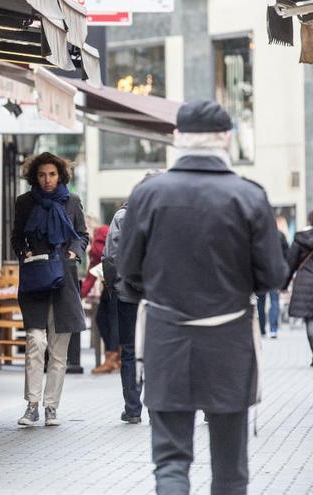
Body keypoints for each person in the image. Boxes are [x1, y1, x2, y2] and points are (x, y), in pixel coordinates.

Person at [119, 100, 288, 494]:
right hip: (229, 338)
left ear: (177, 138)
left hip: (166, 335)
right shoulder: (248, 195)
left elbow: (127, 270)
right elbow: (273, 276)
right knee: (230, 470)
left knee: (171, 463)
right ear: (225, 139)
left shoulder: (148, 194)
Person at [10, 152, 89, 427]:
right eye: (42, 174)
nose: (47, 179)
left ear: (61, 175)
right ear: (35, 176)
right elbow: (16, 238)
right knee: (36, 342)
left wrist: (73, 253)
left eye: (52, 174)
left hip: (64, 280)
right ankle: (32, 405)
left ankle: (51, 407)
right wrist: (25, 251)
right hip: (35, 277)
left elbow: (82, 236)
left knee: (58, 351)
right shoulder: (24, 202)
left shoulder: (72, 201)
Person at [101, 170, 162, 425]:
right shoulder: (168, 217)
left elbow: (111, 256)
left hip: (128, 294)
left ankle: (133, 409)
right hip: (160, 296)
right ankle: (157, 408)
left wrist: (113, 285)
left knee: (129, 351)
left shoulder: (123, 216)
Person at [86, 222, 120, 375]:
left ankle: (112, 359)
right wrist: (79, 294)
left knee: (113, 321)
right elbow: (92, 274)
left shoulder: (102, 232)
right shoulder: (96, 238)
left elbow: (101, 255)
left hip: (117, 283)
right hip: (108, 284)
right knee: (101, 318)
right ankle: (114, 356)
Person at [284, 209, 313, 366]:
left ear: (309, 220)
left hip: (305, 283)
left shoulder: (301, 240)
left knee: (310, 320)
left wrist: (283, 284)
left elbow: (290, 264)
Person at [257, 226, 288, 338]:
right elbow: (286, 255)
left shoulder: (259, 235)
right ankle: (273, 329)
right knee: (274, 301)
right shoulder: (280, 236)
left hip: (261, 274)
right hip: (275, 273)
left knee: (261, 302)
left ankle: (262, 330)